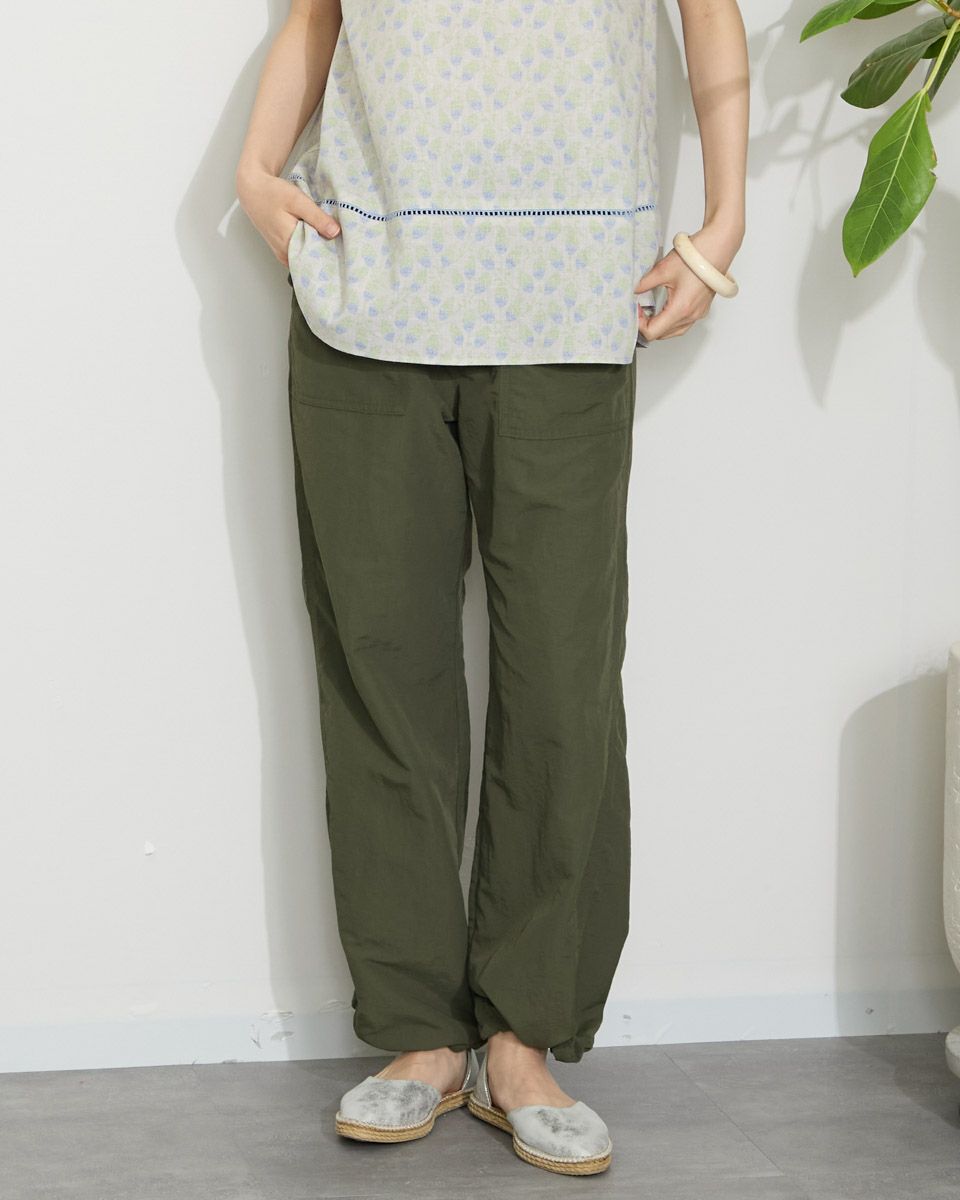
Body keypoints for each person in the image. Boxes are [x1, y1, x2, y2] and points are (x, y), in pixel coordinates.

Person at [236, 0, 748, 1176]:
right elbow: (317, 12)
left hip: (571, 299)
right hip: (370, 292)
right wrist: (256, 171)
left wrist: (725, 217)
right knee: (383, 677)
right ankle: (420, 1033)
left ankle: (522, 1041)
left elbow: (709, 13)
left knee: (563, 681)